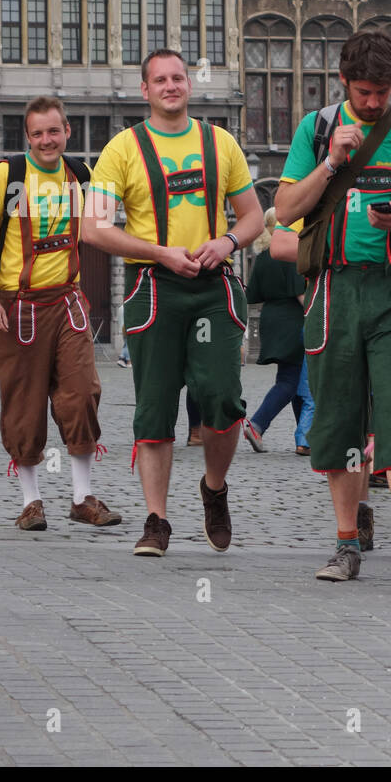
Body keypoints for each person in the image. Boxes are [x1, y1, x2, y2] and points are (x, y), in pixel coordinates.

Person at [274, 29, 391, 592]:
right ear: (345, 82)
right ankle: (347, 544)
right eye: (365, 91)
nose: (375, 102)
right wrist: (330, 163)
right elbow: (283, 210)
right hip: (331, 291)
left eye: (384, 91)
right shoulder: (317, 128)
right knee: (340, 418)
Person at [81, 49, 263, 557]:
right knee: (154, 407)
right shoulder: (121, 149)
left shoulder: (219, 142)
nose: (169, 86)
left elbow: (254, 215)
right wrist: (158, 251)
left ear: (189, 84)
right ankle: (156, 520)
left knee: (222, 396)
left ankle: (214, 488)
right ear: (145, 90)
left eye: (177, 77)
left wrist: (226, 242)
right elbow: (92, 228)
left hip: (212, 285)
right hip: (153, 287)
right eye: (159, 80)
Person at [0, 95, 121, 532]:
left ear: (67, 131)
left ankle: (81, 497)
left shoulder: (83, 175)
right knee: (23, 404)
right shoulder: (7, 176)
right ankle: (31, 501)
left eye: (54, 131)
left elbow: (108, 228)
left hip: (67, 300)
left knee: (83, 393)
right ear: (27, 136)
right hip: (18, 306)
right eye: (38, 133)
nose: (46, 140)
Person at [243, 208, 311, 455]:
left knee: (294, 379)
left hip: (271, 319)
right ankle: (258, 424)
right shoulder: (290, 254)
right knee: (291, 380)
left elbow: (253, 295)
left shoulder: (262, 257)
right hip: (294, 320)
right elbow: (301, 294)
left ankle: (304, 437)